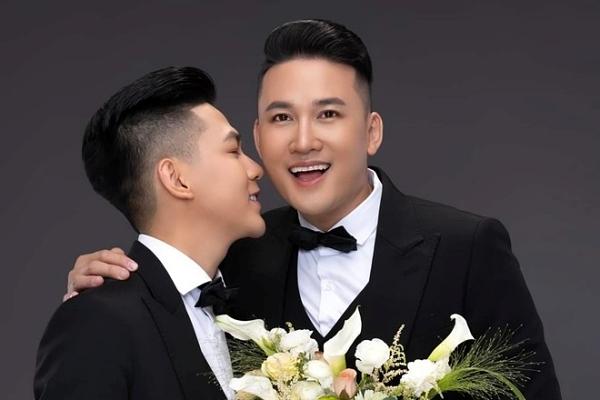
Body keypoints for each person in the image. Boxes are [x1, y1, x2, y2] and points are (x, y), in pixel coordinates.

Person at [65, 20, 562, 398]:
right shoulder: (233, 255)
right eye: (282, 118)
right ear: (259, 136)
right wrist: (105, 291)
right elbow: (155, 320)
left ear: (371, 132)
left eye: (328, 114)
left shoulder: (466, 248)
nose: (303, 141)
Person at [34, 66, 265, 400]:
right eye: (233, 151)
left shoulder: (246, 302)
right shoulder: (98, 320)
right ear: (177, 179)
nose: (255, 169)